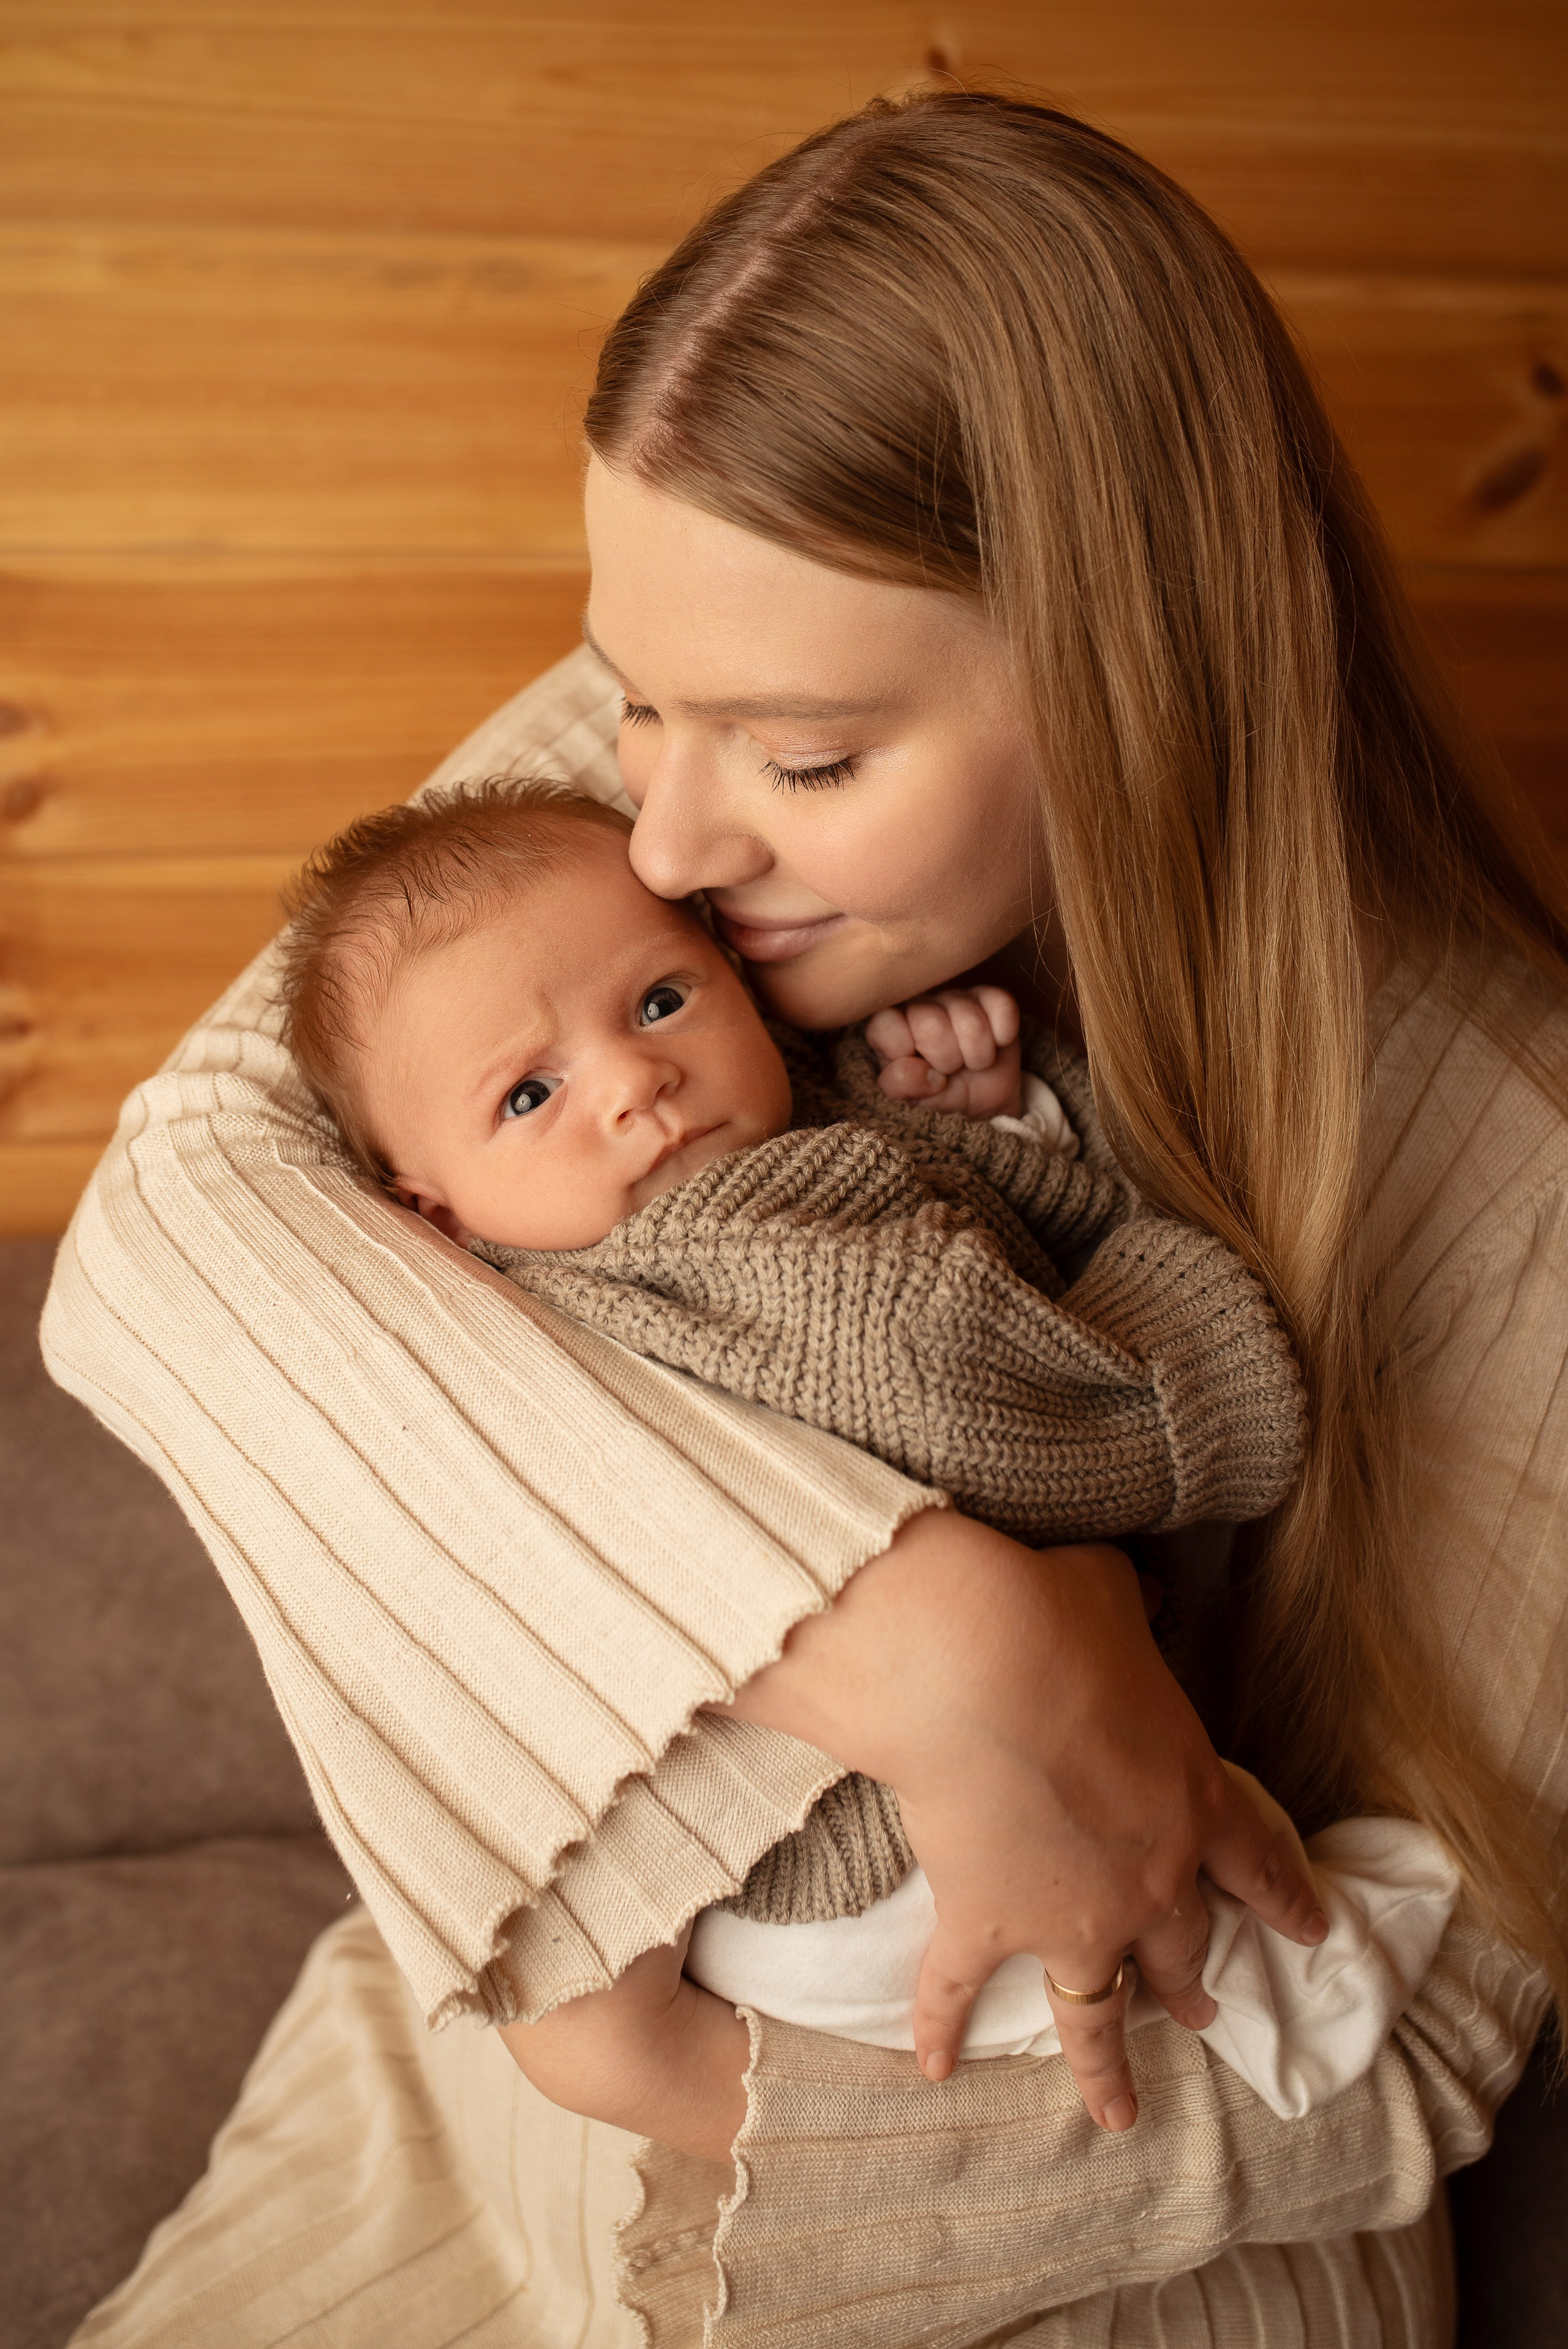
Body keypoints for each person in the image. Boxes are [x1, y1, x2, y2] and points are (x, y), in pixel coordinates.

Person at [46, 91, 1568, 2349]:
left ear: (1139, 679)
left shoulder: (1515, 1154)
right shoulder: (673, 777)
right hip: (473, 2102)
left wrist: (702, 2087)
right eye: (630, 694)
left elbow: (1421, 2033)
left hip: (1048, 2226)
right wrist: (917, 1633)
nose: (657, 837)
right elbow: (176, 1217)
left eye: (804, 756)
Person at [271, 771, 1456, 2146]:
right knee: (1261, 1933)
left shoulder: (820, 1124)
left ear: (736, 978)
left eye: (658, 1002)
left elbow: (1020, 1228)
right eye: (530, 1094)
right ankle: (1286, 2039)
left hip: (947, 1804)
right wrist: (1180, 1344)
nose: (634, 1084)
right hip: (855, 1867)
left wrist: (994, 1122)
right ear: (438, 1214)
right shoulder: (610, 1288)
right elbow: (968, 1386)